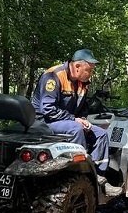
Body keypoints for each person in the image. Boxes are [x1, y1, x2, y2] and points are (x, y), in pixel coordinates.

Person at [32, 49, 116, 192]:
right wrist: (74, 120)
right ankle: (80, 173)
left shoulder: (83, 83)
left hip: (66, 120)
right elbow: (47, 109)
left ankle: (98, 176)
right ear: (77, 67)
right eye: (89, 70)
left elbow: (82, 108)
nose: (91, 73)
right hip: (43, 121)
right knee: (76, 129)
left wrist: (83, 119)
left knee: (101, 134)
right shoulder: (54, 76)